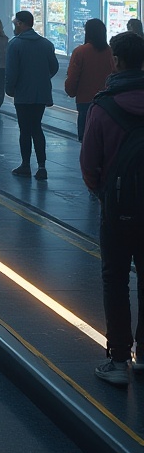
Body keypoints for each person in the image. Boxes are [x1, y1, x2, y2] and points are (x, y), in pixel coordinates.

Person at [80, 31, 144, 385]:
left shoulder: (103, 107)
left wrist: (104, 194)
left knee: (115, 280)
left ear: (116, 61)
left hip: (118, 209)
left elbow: (89, 163)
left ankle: (118, 361)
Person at [5, 10, 59, 180]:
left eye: (15, 24)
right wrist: (42, 78)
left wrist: (10, 89)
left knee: (25, 130)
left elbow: (12, 72)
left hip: (23, 94)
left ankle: (26, 165)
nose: (14, 27)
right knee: (37, 128)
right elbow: (54, 67)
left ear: (21, 24)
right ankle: (42, 167)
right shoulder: (46, 44)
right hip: (41, 93)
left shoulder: (15, 45)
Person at [65, 19, 115, 142]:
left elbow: (72, 76)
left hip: (85, 100)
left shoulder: (80, 51)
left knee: (86, 139)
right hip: (107, 100)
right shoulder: (111, 52)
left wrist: (71, 91)